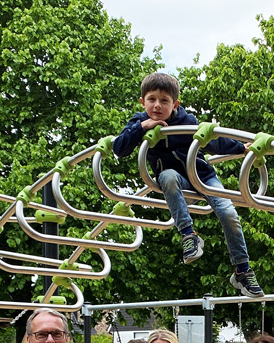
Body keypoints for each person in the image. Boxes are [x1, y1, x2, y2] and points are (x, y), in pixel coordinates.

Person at [113, 71, 265, 299]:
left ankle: (242, 270)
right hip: (175, 181)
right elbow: (119, 148)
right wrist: (142, 127)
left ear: (175, 104)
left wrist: (240, 148)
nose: (157, 105)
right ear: (142, 101)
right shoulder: (138, 122)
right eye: (152, 99)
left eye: (164, 101)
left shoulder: (187, 121)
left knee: (229, 213)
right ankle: (188, 235)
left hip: (202, 176)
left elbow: (214, 142)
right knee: (167, 176)